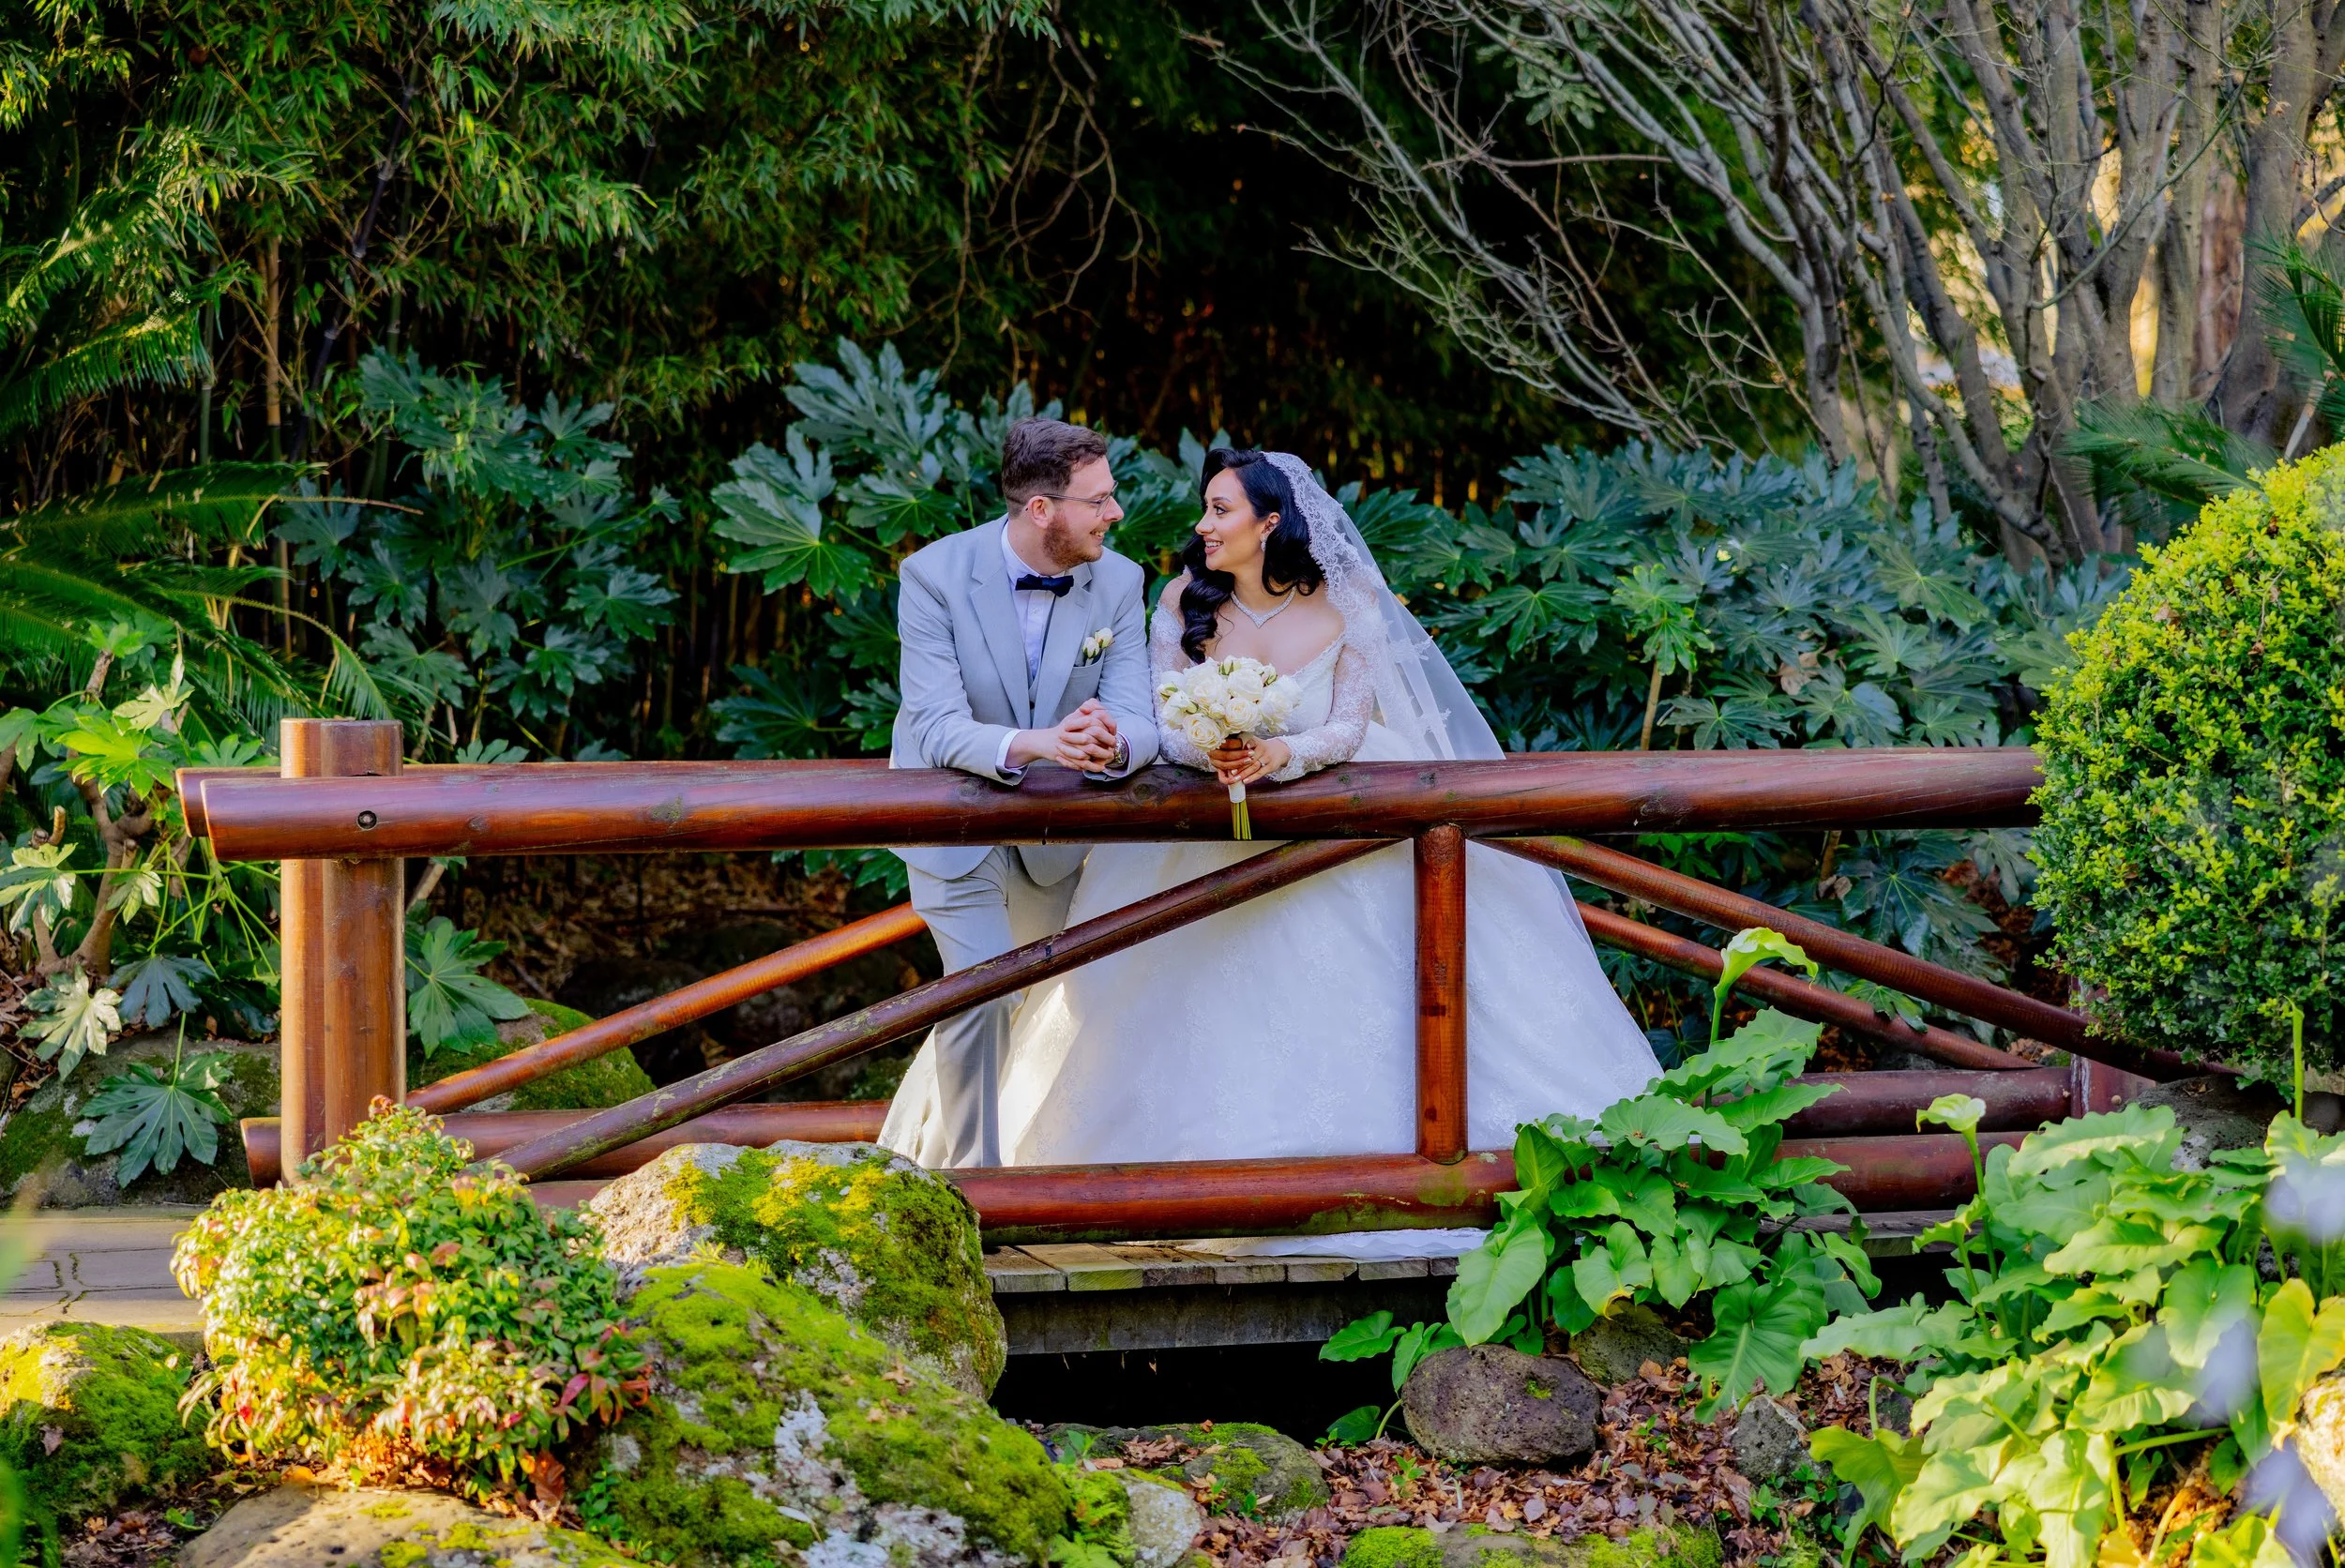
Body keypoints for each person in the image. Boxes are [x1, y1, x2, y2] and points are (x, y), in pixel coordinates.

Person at [882, 447, 1659, 1192]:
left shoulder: (1346, 603)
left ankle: (1419, 1167)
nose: (1203, 527)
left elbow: (1350, 727)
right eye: (1205, 511)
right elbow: (1160, 713)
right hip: (1201, 840)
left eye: (1220, 510)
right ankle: (1079, 1183)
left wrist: (1277, 752)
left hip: (1339, 838)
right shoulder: (1181, 600)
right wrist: (1209, 743)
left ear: (1271, 521)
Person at [879, 416, 1160, 1167]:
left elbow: (1142, 714)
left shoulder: (1121, 580)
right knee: (983, 994)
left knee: (1040, 1005)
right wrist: (1040, 744)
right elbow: (936, 726)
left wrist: (1115, 742)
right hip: (954, 823)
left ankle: (923, 1169)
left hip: (1055, 834)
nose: (1115, 513)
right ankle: (979, 1193)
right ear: (1042, 510)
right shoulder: (933, 576)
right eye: (1098, 499)